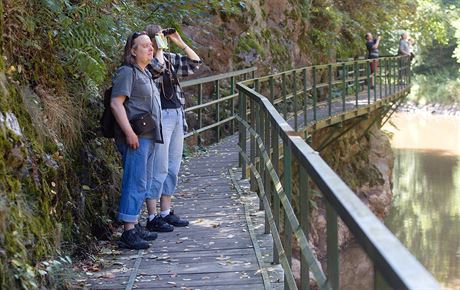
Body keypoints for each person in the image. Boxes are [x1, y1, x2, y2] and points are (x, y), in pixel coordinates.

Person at [142, 24, 202, 233]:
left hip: (177, 114)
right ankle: (152, 216)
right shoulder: (147, 59)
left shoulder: (169, 58)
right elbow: (156, 69)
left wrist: (179, 41)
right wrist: (157, 47)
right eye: (158, 36)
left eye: (162, 36)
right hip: (160, 118)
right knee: (159, 168)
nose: (162, 39)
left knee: (173, 167)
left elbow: (195, 63)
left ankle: (165, 212)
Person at [110, 31, 164, 249]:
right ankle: (128, 231)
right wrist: (129, 133)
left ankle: (134, 223)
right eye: (145, 46)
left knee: (144, 181)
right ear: (133, 51)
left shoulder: (146, 73)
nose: (150, 49)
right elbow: (116, 103)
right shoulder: (127, 72)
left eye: (151, 45)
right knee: (135, 181)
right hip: (136, 137)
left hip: (149, 136)